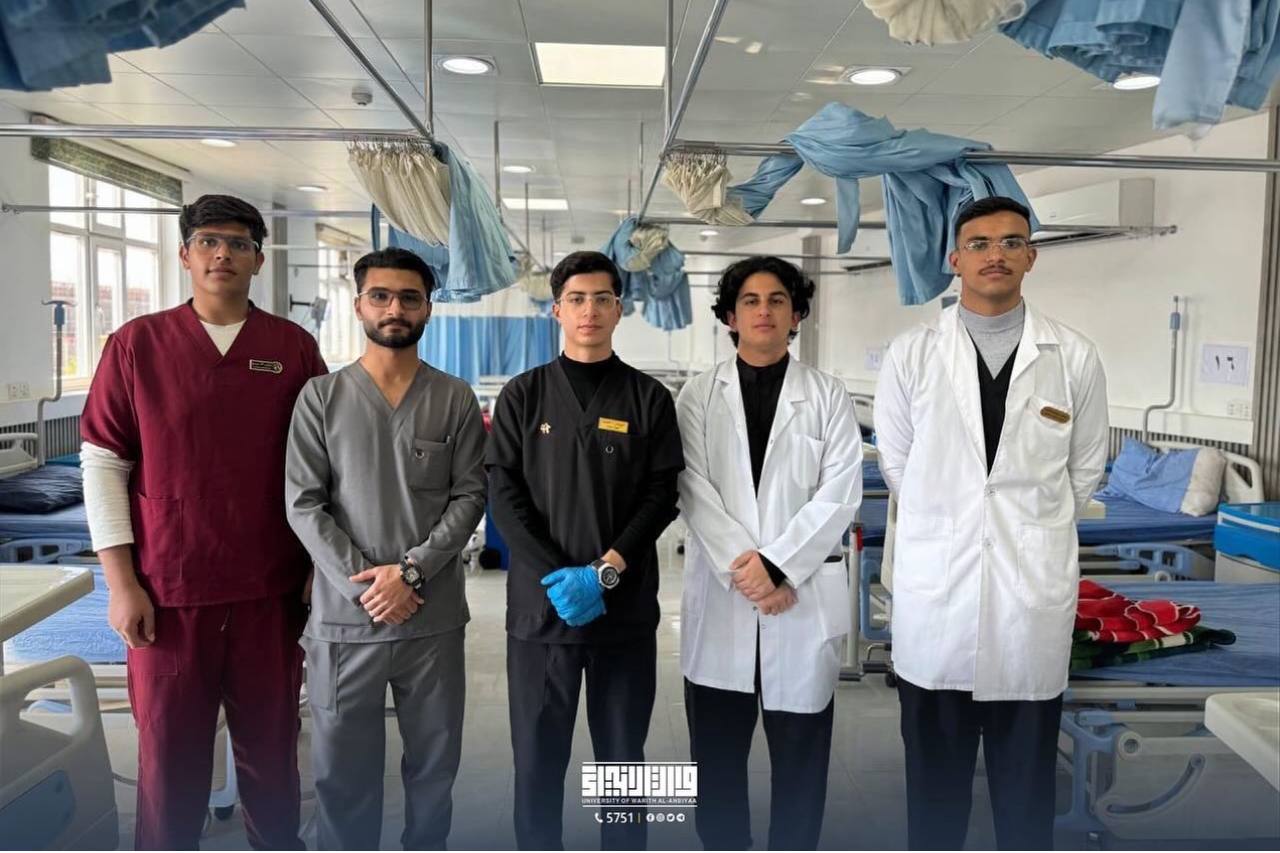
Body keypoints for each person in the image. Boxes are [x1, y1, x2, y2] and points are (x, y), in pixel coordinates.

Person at [80, 194, 326, 849]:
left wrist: (316, 567)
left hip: (269, 591)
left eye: (239, 243)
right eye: (210, 241)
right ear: (185, 254)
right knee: (169, 763)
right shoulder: (137, 345)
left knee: (274, 757)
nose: (224, 254)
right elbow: (104, 462)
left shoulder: (292, 348)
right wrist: (121, 583)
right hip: (168, 592)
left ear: (259, 260)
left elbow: (322, 464)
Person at [874, 196, 1109, 850]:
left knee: (1026, 795)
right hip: (937, 598)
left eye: (1011, 242)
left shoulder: (1073, 356)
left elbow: (1085, 468)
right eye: (979, 243)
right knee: (934, 794)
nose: (995, 254)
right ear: (955, 259)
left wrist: (1027, 526)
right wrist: (954, 514)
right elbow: (897, 463)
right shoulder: (912, 353)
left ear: (1031, 257)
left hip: (1026, 605)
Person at [285, 247, 486, 850]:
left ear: (428, 309)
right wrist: (370, 586)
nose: (394, 308)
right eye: (381, 296)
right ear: (359, 306)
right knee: (343, 776)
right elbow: (303, 504)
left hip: (431, 621)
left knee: (434, 770)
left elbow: (470, 496)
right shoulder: (321, 398)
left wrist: (411, 573)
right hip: (346, 625)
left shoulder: (454, 397)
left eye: (409, 298)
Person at [486, 250, 685, 850]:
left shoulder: (649, 398)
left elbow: (662, 495)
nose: (589, 310)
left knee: (623, 762)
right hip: (541, 615)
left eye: (602, 299)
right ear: (557, 310)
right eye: (576, 299)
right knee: (536, 759)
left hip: (622, 613)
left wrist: (604, 571)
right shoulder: (522, 396)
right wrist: (559, 577)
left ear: (619, 310)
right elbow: (504, 495)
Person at [676, 256, 863, 851]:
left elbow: (841, 491)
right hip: (725, 599)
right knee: (715, 763)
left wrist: (778, 567)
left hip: (798, 600)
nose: (764, 311)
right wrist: (753, 572)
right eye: (751, 301)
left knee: (802, 761)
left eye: (777, 300)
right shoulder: (698, 395)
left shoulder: (827, 394)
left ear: (796, 315)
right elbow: (691, 487)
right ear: (731, 317)